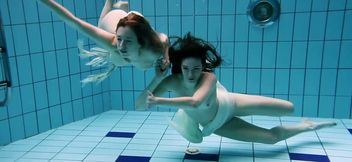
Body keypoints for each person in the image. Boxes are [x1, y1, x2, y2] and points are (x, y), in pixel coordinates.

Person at [135, 33, 337, 144]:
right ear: (180, 67)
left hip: (230, 102)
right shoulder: (171, 81)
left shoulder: (208, 78)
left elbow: (196, 101)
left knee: (289, 108)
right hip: (217, 124)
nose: (191, 74)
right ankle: (308, 126)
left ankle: (305, 121)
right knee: (271, 139)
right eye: (186, 68)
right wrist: (157, 78)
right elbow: (139, 107)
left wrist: (160, 101)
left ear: (202, 66)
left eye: (196, 68)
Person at [37, 0, 169, 84]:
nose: (121, 47)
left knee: (119, 55)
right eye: (119, 40)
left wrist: (166, 57)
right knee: (101, 24)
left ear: (141, 43)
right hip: (114, 21)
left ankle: (123, 7)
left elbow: (165, 39)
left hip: (135, 24)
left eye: (128, 42)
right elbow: (74, 21)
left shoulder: (154, 47)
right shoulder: (113, 44)